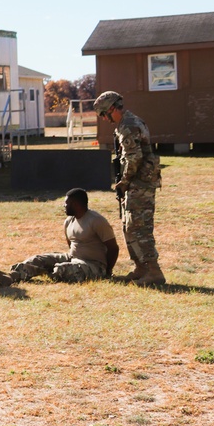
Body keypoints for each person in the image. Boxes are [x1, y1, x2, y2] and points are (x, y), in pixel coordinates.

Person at [94, 90, 164, 286]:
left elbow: (134, 158)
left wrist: (124, 181)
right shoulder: (128, 123)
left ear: (112, 109)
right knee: (129, 225)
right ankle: (141, 268)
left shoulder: (128, 125)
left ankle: (153, 270)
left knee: (139, 227)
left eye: (104, 114)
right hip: (138, 182)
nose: (105, 119)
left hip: (139, 183)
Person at [0, 188, 119, 285]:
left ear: (76, 204)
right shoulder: (69, 221)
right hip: (72, 258)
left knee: (62, 268)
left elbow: (113, 248)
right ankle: (11, 276)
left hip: (93, 264)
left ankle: (40, 273)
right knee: (38, 259)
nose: (64, 206)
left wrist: (106, 271)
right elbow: (70, 245)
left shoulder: (97, 221)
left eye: (66, 203)